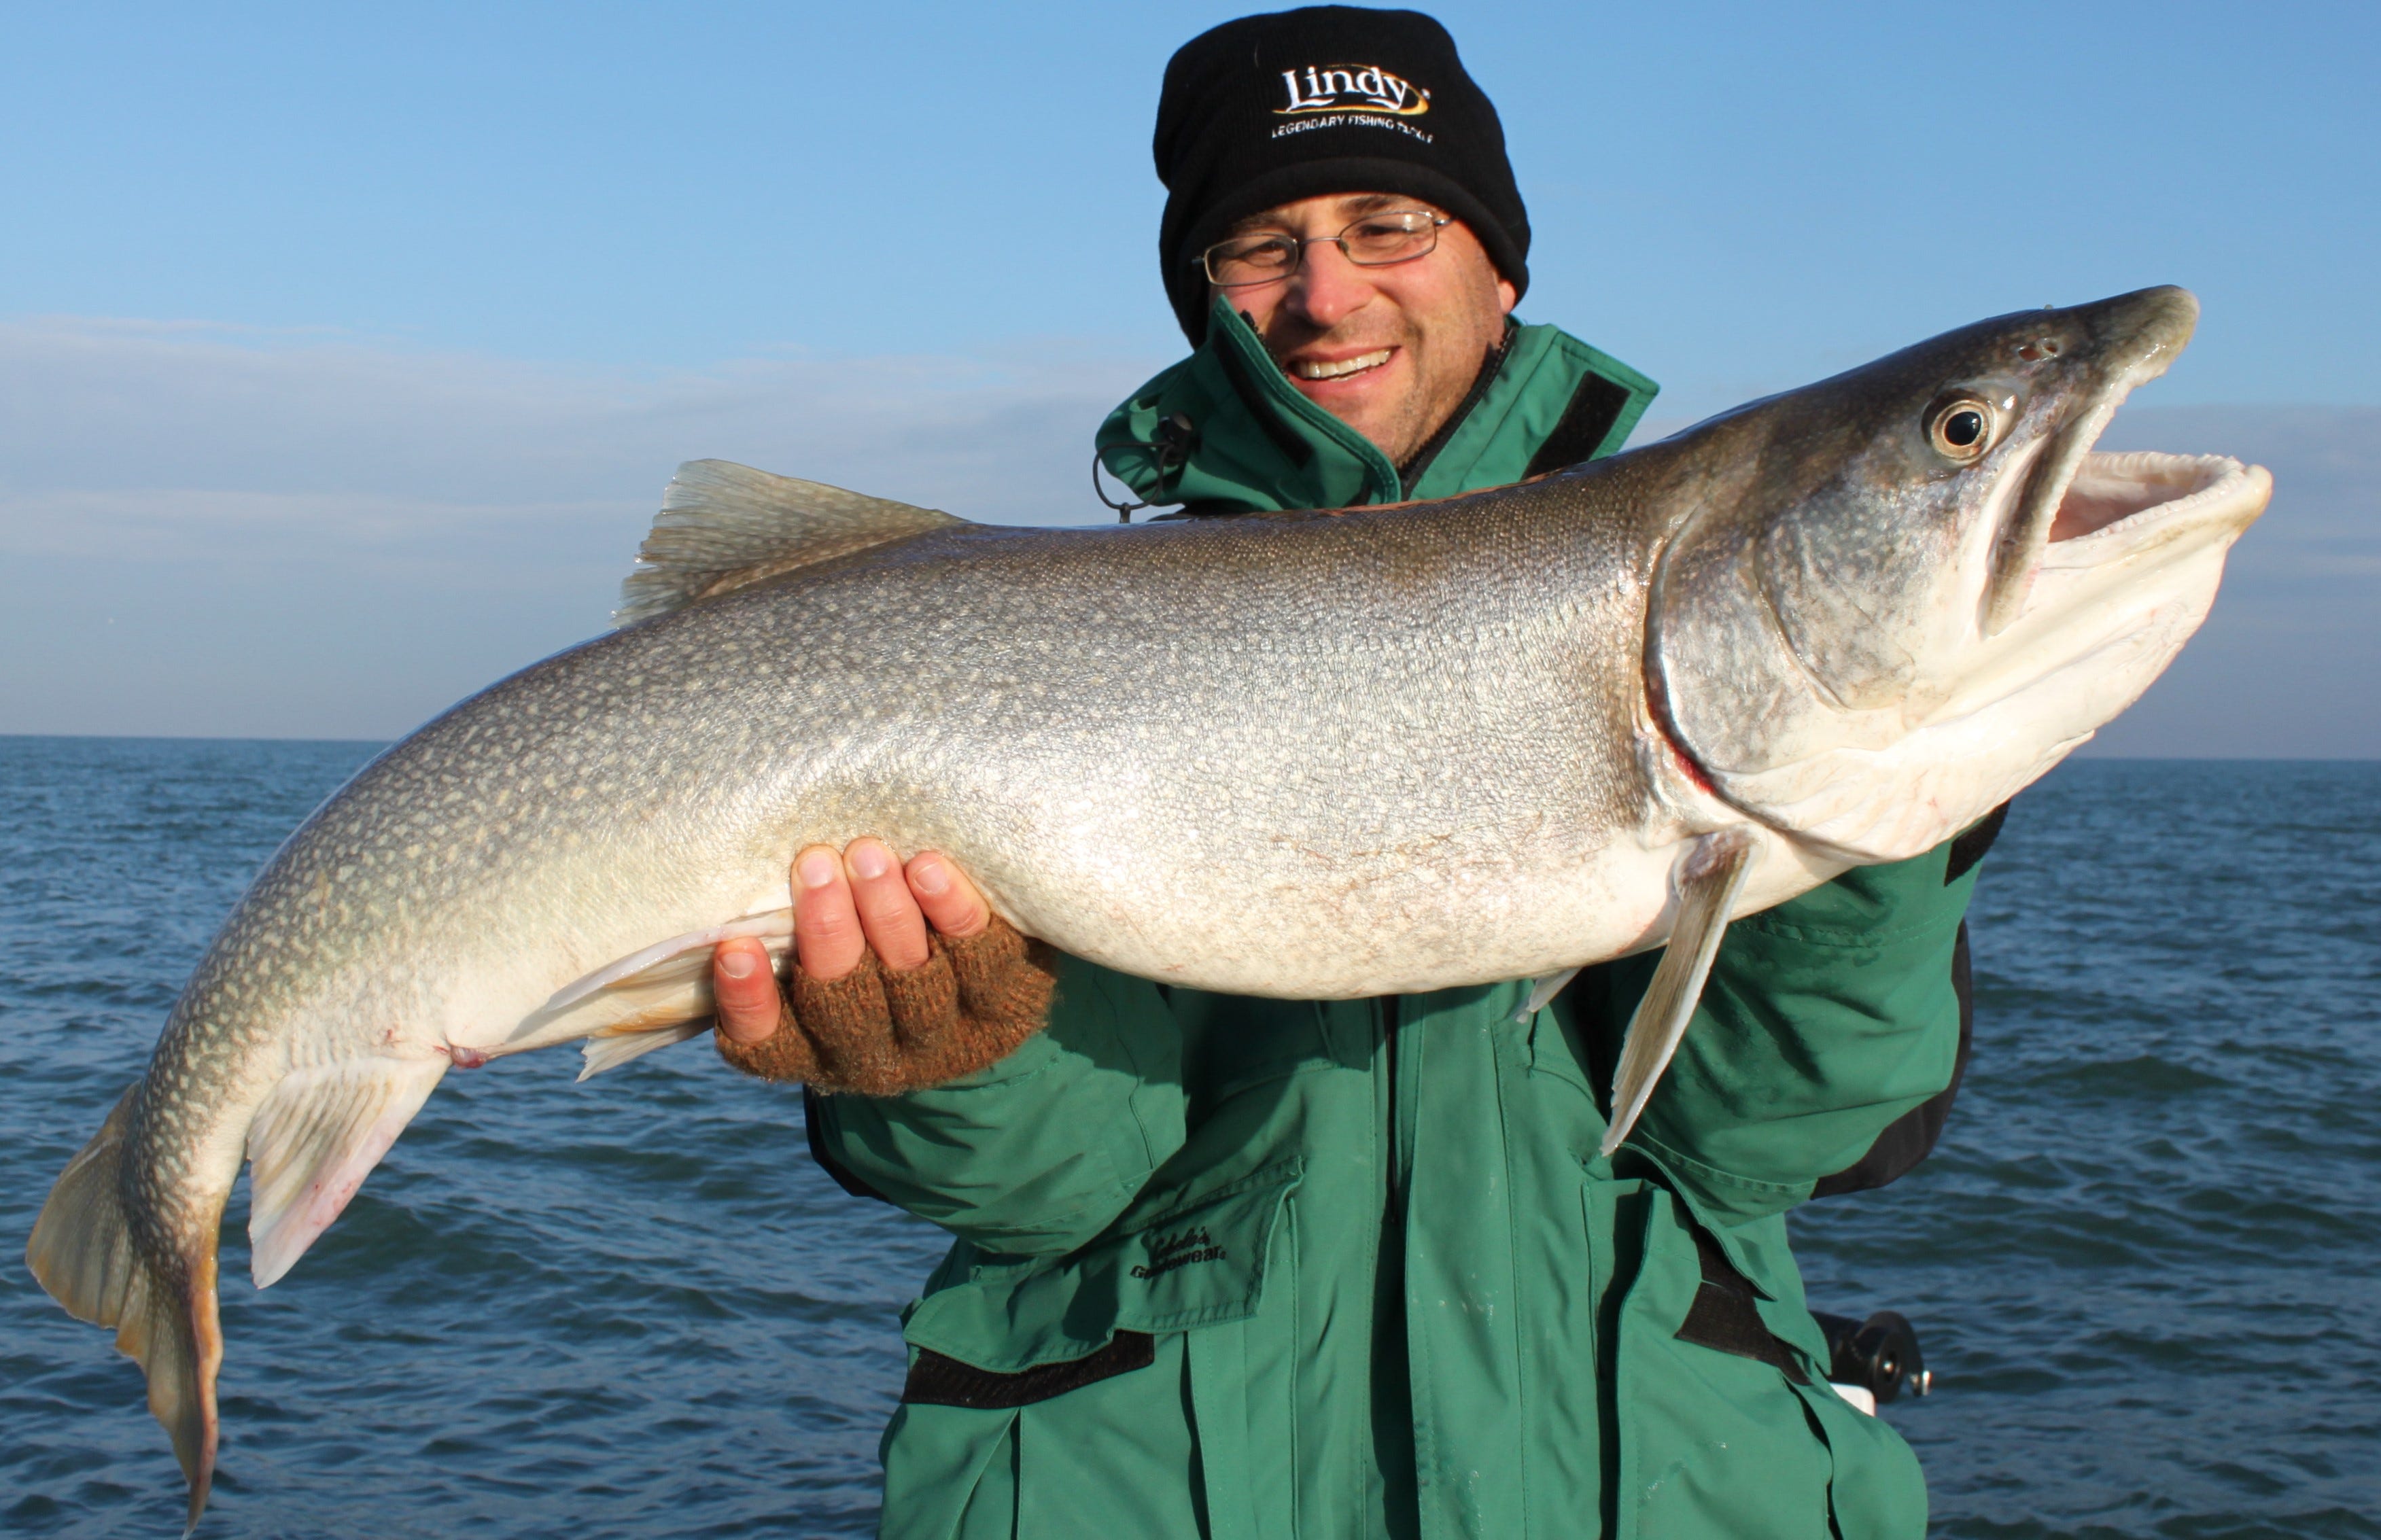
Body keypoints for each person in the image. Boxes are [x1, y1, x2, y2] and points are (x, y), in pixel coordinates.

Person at [703, 10, 1996, 1537]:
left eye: (1389, 221)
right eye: (1262, 245)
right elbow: (1053, 1193)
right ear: (1206, 300)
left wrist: (1876, 821)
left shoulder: (1698, 603)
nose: (1327, 295)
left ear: (1499, 263)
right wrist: (943, 1053)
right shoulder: (1064, 658)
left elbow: (1770, 1139)